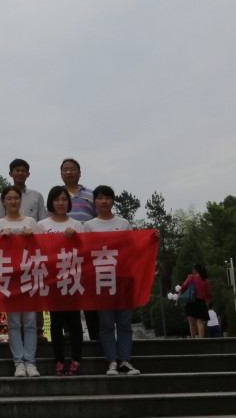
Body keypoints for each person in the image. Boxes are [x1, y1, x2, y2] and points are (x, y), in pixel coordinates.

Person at [84, 184, 140, 375]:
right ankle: (112, 362)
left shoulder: (123, 223)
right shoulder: (89, 226)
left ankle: (125, 360)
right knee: (106, 323)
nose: (104, 201)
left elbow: (133, 248)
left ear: (113, 201)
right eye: (100, 198)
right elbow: (85, 252)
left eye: (107, 197)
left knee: (124, 322)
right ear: (94, 202)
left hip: (122, 278)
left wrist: (152, 238)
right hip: (102, 279)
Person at [0, 185, 39, 377]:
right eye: (9, 198)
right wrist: (2, 240)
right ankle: (18, 362)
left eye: (16, 198)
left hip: (28, 276)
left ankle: (31, 361)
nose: (13, 201)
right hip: (9, 278)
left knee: (30, 322)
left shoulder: (31, 222)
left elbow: (40, 249)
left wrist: (31, 237)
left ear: (21, 200)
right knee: (13, 322)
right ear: (3, 202)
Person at [37, 185, 85, 375]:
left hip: (73, 279)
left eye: (64, 199)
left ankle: (76, 359)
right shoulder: (42, 225)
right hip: (52, 279)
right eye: (57, 199)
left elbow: (85, 251)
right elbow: (38, 250)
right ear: (51, 202)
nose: (61, 203)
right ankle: (59, 360)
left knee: (74, 322)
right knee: (55, 322)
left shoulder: (77, 224)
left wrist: (76, 238)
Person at [60, 158, 97, 339]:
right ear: (61, 174)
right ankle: (70, 334)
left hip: (88, 252)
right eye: (66, 169)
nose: (69, 172)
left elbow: (99, 220)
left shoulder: (91, 195)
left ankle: (95, 334)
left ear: (80, 172)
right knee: (68, 292)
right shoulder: (57, 196)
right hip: (65, 255)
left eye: (73, 169)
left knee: (90, 293)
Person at [0, 158, 46, 224]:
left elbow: (42, 222)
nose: (20, 173)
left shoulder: (37, 196)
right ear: (10, 173)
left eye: (23, 171)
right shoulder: (2, 196)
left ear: (28, 174)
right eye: (17, 170)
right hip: (9, 230)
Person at [180, 264, 212, 340]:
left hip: (191, 302)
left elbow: (183, 287)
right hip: (201, 303)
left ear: (195, 270)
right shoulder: (205, 281)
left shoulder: (191, 277)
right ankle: (201, 340)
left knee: (192, 324)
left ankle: (193, 340)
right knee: (200, 323)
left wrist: (179, 295)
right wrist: (207, 305)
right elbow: (208, 295)